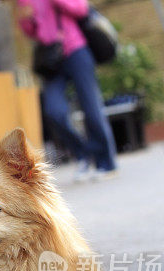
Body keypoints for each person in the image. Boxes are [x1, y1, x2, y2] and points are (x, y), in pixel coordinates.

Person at [14, 0, 117, 181]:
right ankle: (83, 155)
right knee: (54, 111)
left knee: (92, 108)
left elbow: (81, 9)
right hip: (52, 58)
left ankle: (106, 162)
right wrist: (26, 20)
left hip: (76, 50)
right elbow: (31, 31)